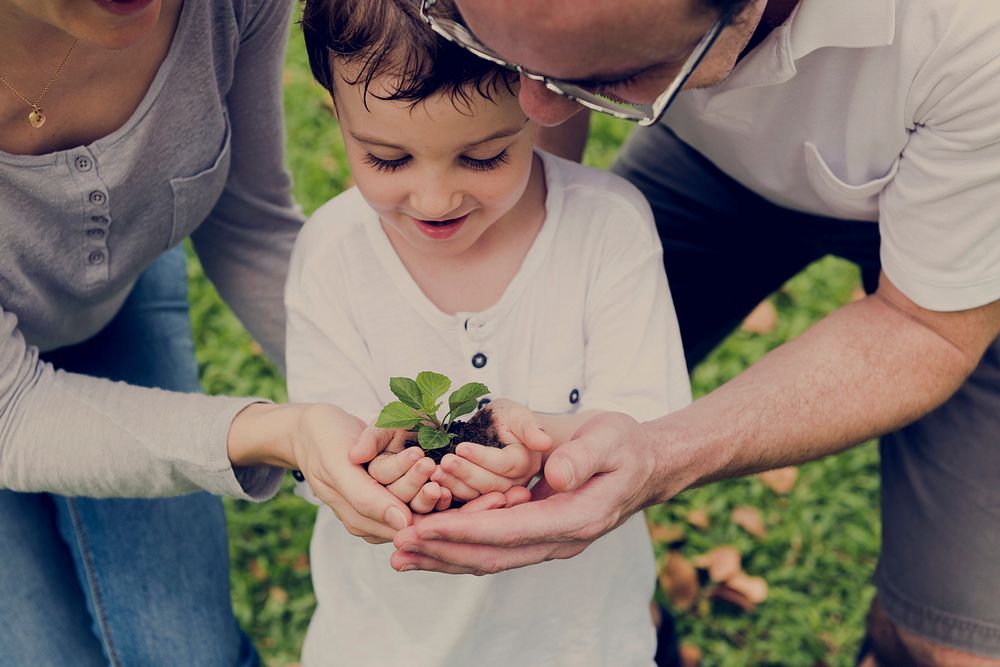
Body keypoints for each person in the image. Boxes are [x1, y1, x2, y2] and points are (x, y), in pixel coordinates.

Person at [362, 1, 997, 666]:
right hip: (708, 160)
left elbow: (924, 326)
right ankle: (635, 632)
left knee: (952, 641)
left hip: (977, 223)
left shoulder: (974, 38)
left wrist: (657, 455)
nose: (532, 108)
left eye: (611, 78)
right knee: (526, 432)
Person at [284, 0, 691, 663]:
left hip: (577, 640)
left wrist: (544, 449)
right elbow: (326, 452)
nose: (435, 199)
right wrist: (388, 470)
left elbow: (649, 428)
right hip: (391, 641)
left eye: (483, 156)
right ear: (338, 116)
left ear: (542, 102)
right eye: (388, 159)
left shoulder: (607, 229)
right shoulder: (332, 254)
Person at [0, 0, 382, 664]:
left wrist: (388, 412)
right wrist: (277, 431)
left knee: (188, 653)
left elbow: (249, 220)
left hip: (112, 305)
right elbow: (13, 412)